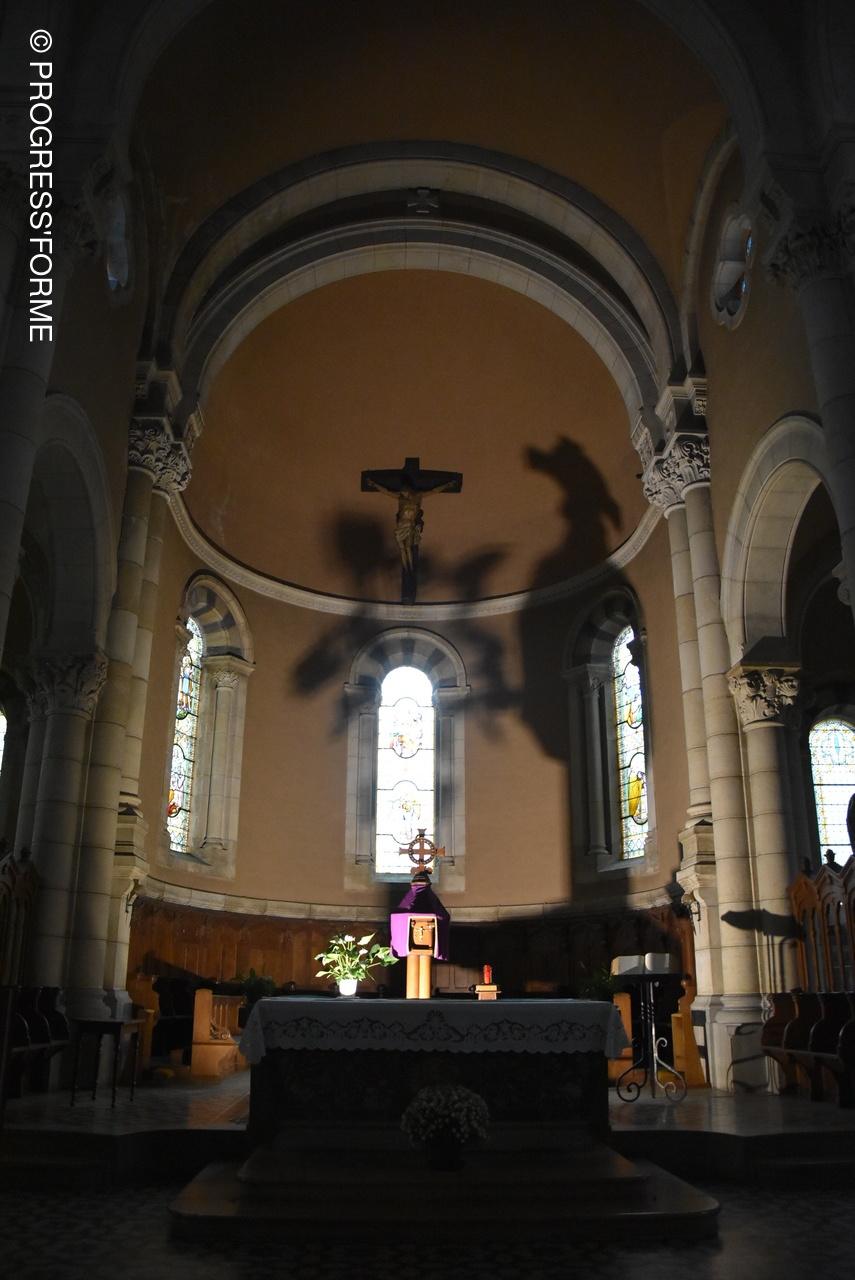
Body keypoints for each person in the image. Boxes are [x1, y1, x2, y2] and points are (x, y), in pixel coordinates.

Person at [365, 478, 454, 572]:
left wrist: (446, 485)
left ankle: (411, 567)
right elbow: (387, 491)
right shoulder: (401, 499)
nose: (403, 494)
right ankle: (406, 568)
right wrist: (374, 484)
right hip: (401, 525)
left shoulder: (418, 496)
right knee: (402, 549)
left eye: (404, 492)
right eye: (402, 492)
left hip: (410, 525)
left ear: (409, 490)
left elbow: (433, 491)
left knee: (408, 547)